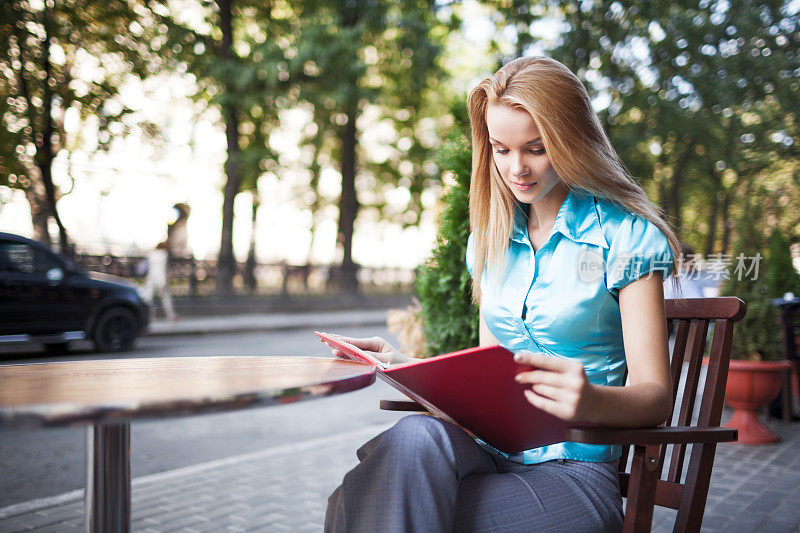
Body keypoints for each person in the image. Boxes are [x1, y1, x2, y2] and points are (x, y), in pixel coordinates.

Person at [324, 56, 680, 532]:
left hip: (574, 474)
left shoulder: (625, 237)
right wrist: (407, 368)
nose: (518, 168)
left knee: (370, 502)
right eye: (501, 149)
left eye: (536, 148)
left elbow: (656, 397)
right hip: (488, 453)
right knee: (411, 441)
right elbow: (492, 378)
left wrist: (591, 401)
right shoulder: (489, 239)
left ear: (571, 139)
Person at [143, 241, 178, 323]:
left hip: (151, 278)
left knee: (148, 299)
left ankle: (149, 316)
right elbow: (165, 269)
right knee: (166, 298)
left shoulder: (151, 254)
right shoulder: (164, 254)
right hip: (161, 279)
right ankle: (171, 316)